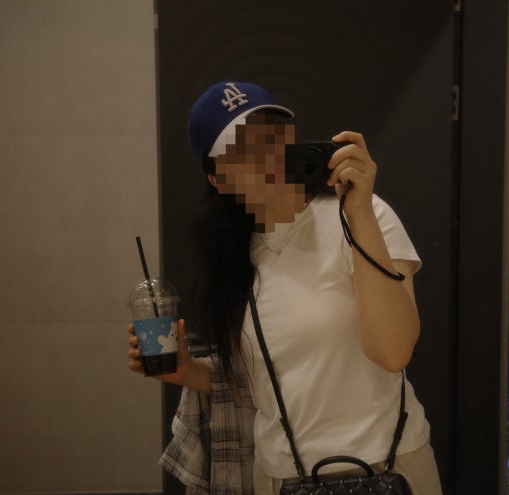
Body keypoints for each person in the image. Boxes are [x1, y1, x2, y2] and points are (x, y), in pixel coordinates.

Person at [127, 81, 443, 494]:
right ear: (218, 179)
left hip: (391, 468)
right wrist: (188, 371)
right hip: (281, 480)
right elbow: (261, 383)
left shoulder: (366, 216)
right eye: (244, 148)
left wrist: (360, 213)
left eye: (273, 136)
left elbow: (394, 351)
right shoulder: (234, 259)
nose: (266, 155)